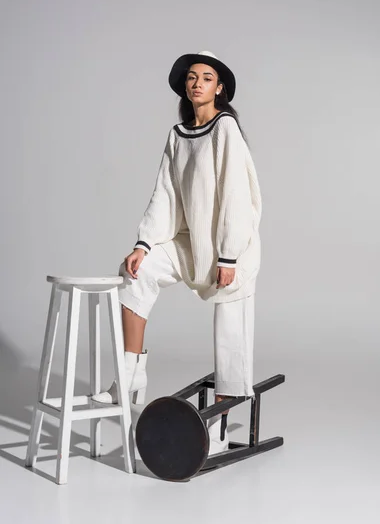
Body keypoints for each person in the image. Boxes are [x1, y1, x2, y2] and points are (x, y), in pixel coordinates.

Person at [92, 50, 262, 455]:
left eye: (206, 77)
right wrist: (143, 244)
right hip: (190, 243)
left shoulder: (226, 130)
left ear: (219, 88)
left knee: (230, 336)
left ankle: (220, 427)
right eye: (191, 77)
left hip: (229, 249)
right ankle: (130, 373)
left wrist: (228, 256)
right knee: (135, 271)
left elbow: (237, 196)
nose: (197, 82)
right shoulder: (177, 134)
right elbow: (165, 195)